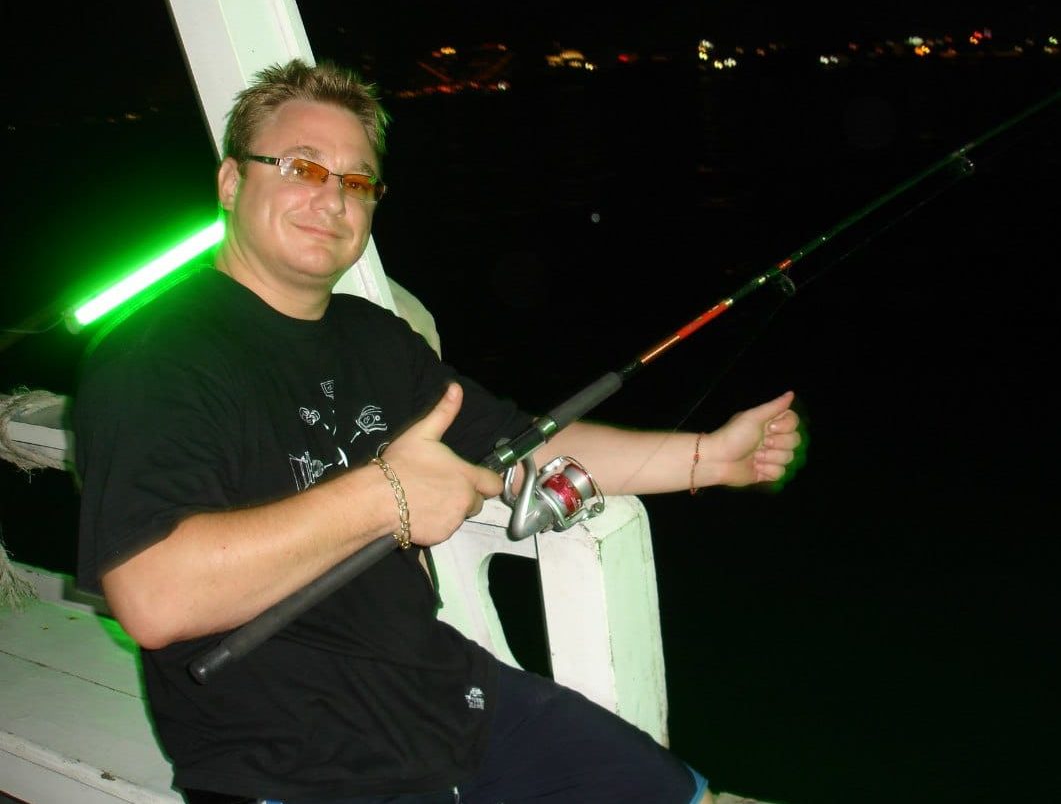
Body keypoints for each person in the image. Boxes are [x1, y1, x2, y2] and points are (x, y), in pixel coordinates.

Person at [73, 58, 803, 804]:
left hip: (445, 698)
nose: (333, 198)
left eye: (358, 181)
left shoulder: (373, 337)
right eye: (302, 167)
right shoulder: (155, 356)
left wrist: (711, 457)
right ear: (232, 182)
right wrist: (386, 495)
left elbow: (526, 446)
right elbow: (154, 596)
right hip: (291, 758)